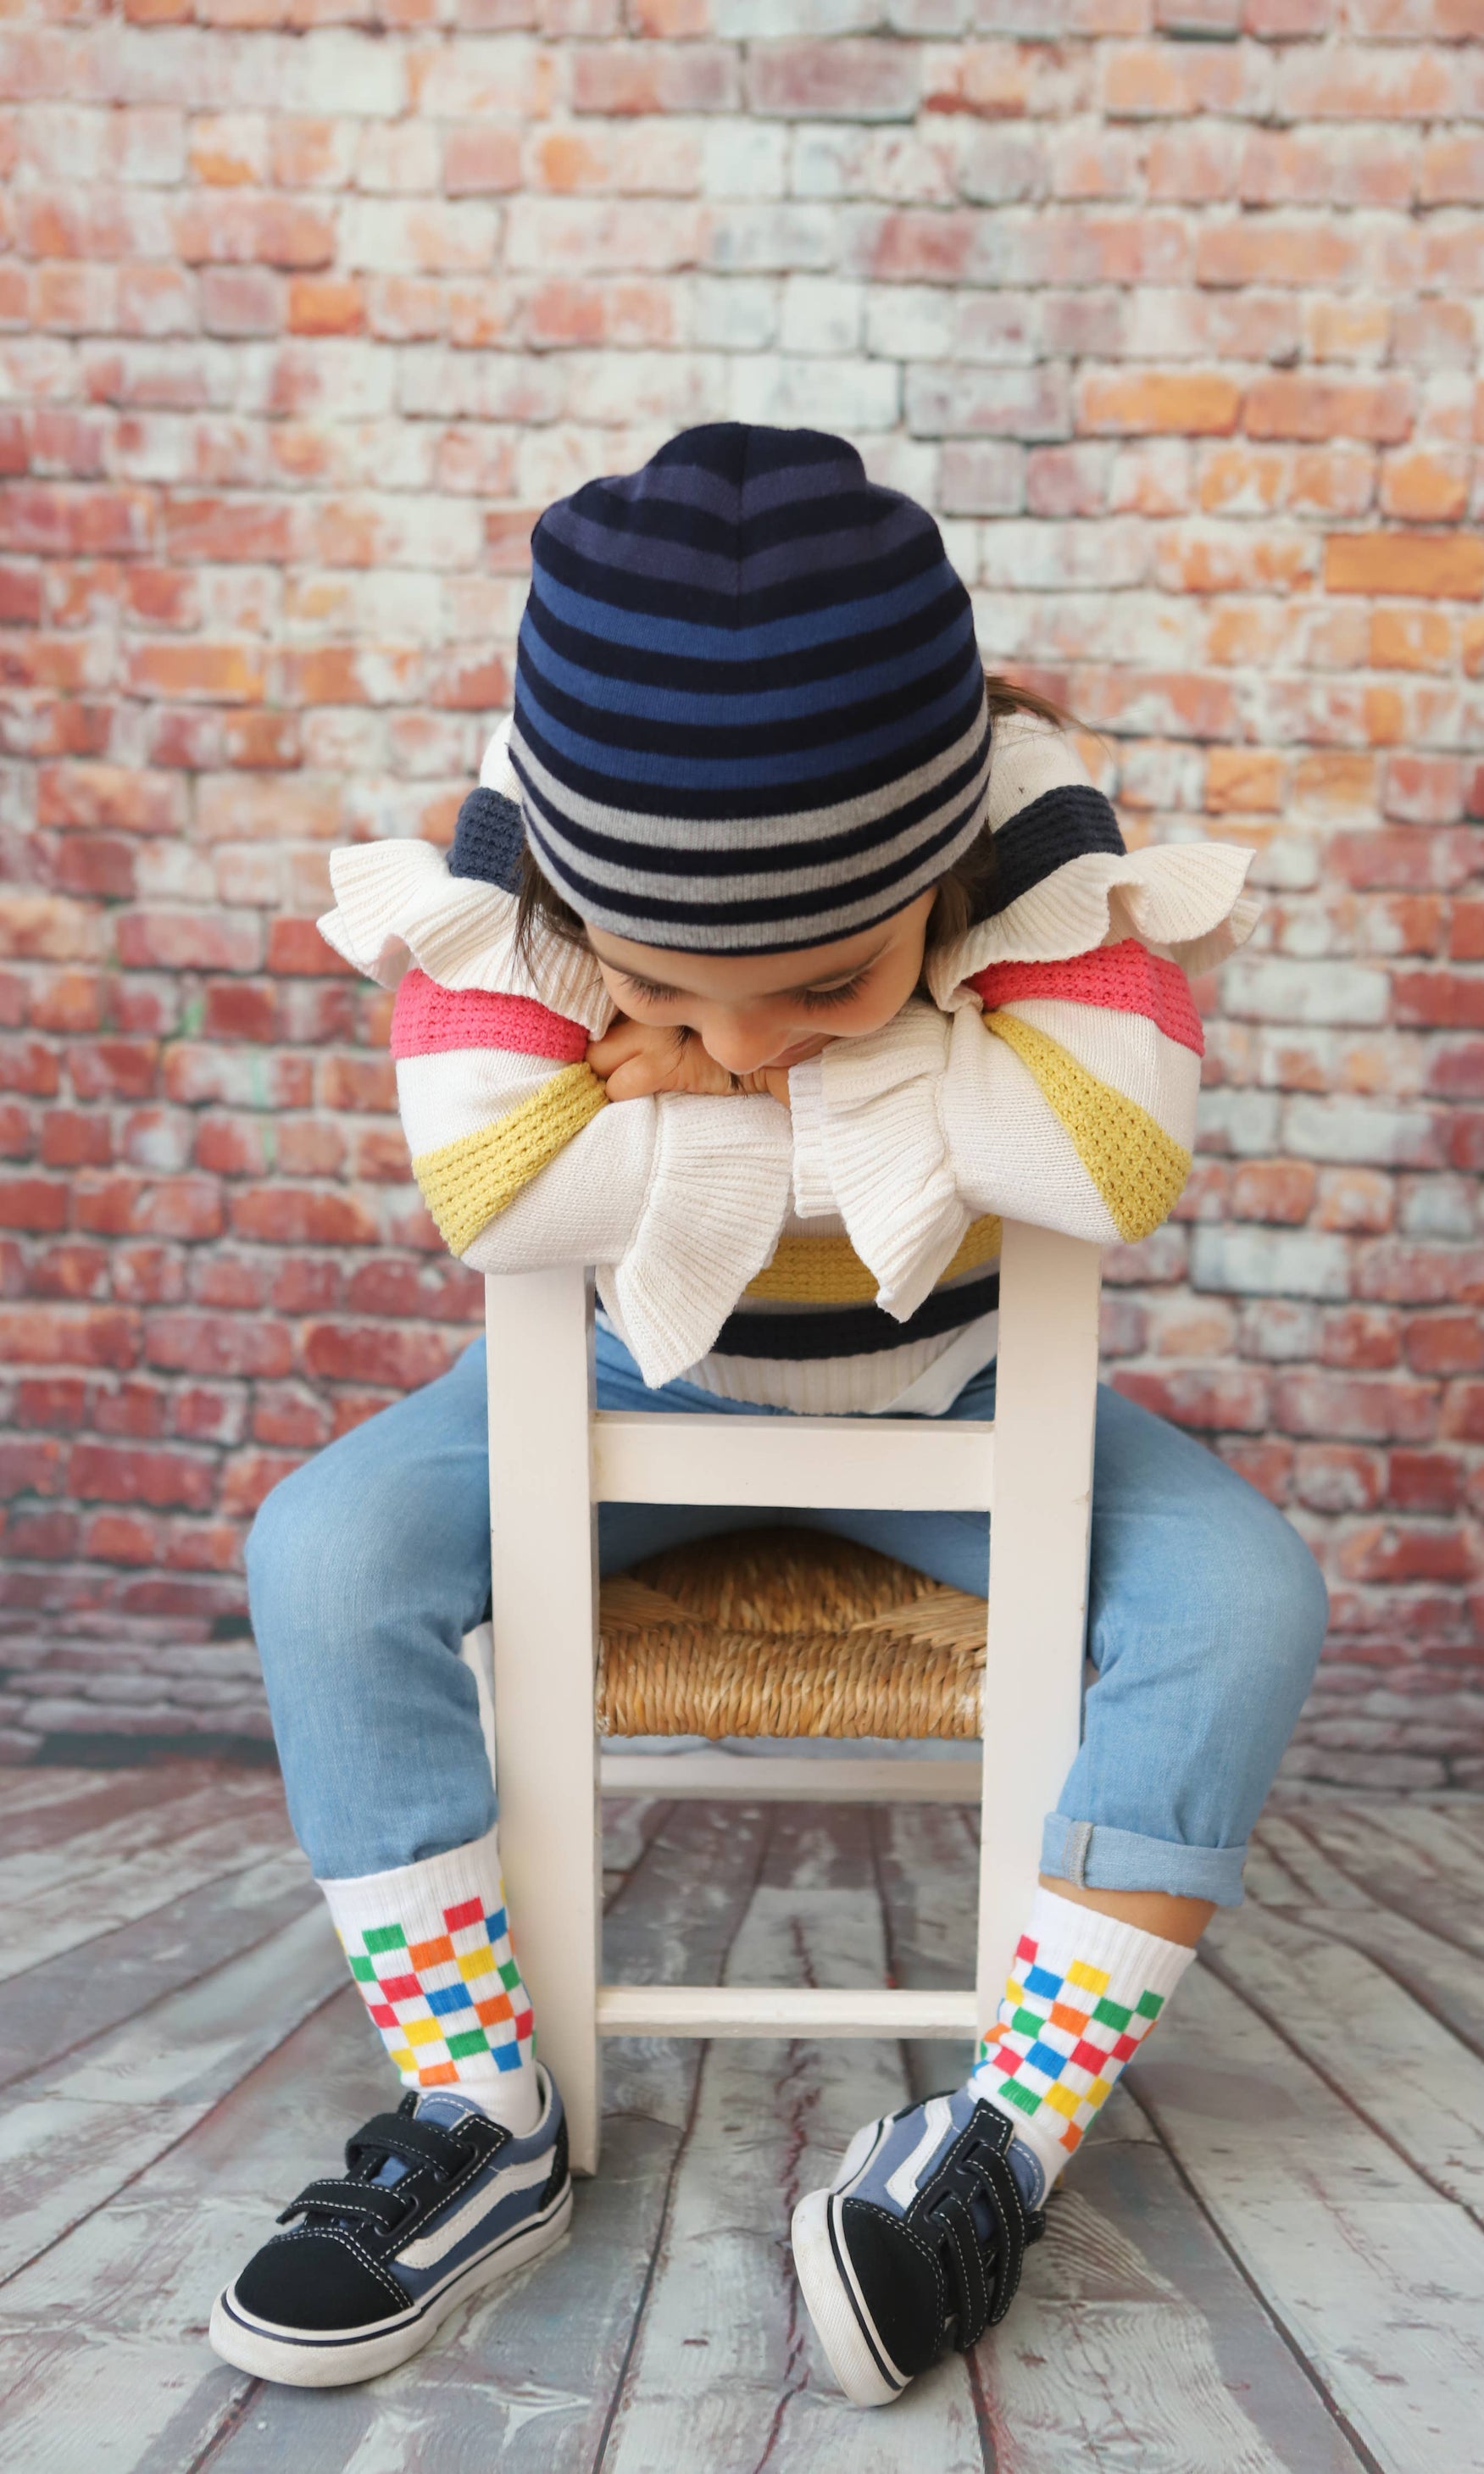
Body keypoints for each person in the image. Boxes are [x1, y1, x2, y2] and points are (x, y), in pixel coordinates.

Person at [211, 423, 1327, 2400]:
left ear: (935, 868)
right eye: (669, 989)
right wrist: (900, 1065)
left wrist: (681, 1086)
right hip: (612, 1379)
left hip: (965, 1393)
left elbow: (1111, 1155)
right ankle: (478, 2108)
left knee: (1243, 1596)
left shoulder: (1031, 822)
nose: (738, 1034)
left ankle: (1001, 2138)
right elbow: (494, 1186)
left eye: (823, 981)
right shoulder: (520, 825)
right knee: (322, 1549)